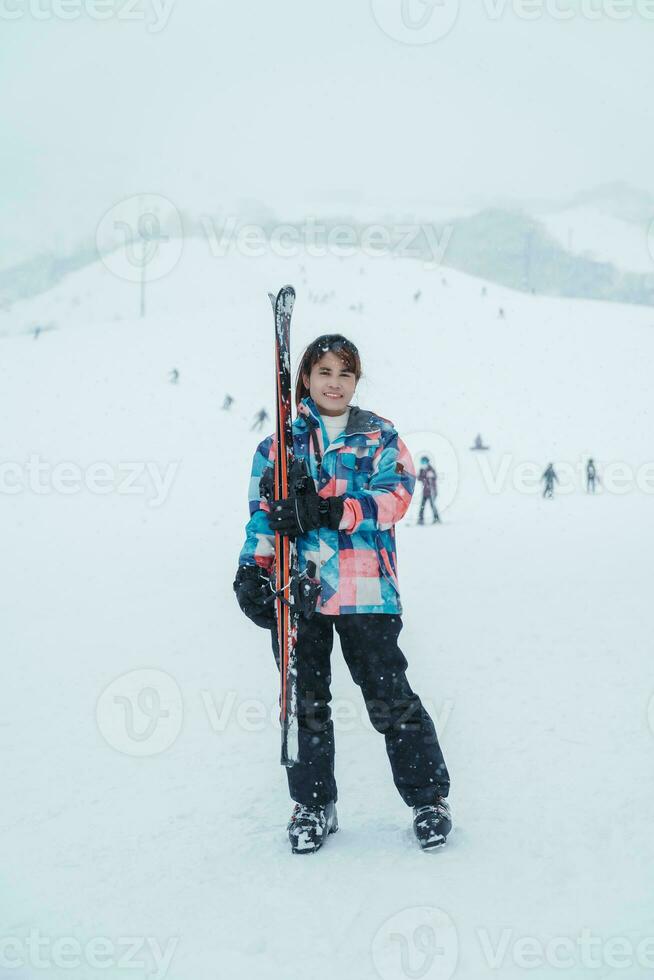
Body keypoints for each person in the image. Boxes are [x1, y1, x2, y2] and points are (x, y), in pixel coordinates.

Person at [233, 334, 451, 854]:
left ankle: (428, 800)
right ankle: (312, 804)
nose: (334, 383)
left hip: (365, 590)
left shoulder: (378, 436)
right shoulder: (277, 447)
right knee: (304, 703)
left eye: (345, 373)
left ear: (356, 381)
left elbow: (396, 496)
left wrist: (334, 510)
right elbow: (261, 516)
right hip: (298, 591)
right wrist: (250, 569)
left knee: (389, 698)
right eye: (324, 372)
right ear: (304, 378)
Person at [417, 455, 440, 524]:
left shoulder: (431, 469)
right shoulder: (422, 470)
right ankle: (421, 520)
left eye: (424, 462)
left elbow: (435, 477)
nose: (423, 463)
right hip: (425, 492)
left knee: (432, 505)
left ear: (427, 462)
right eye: (422, 462)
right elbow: (419, 478)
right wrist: (422, 476)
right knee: (422, 506)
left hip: (431, 491)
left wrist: (431, 476)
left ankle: (436, 518)